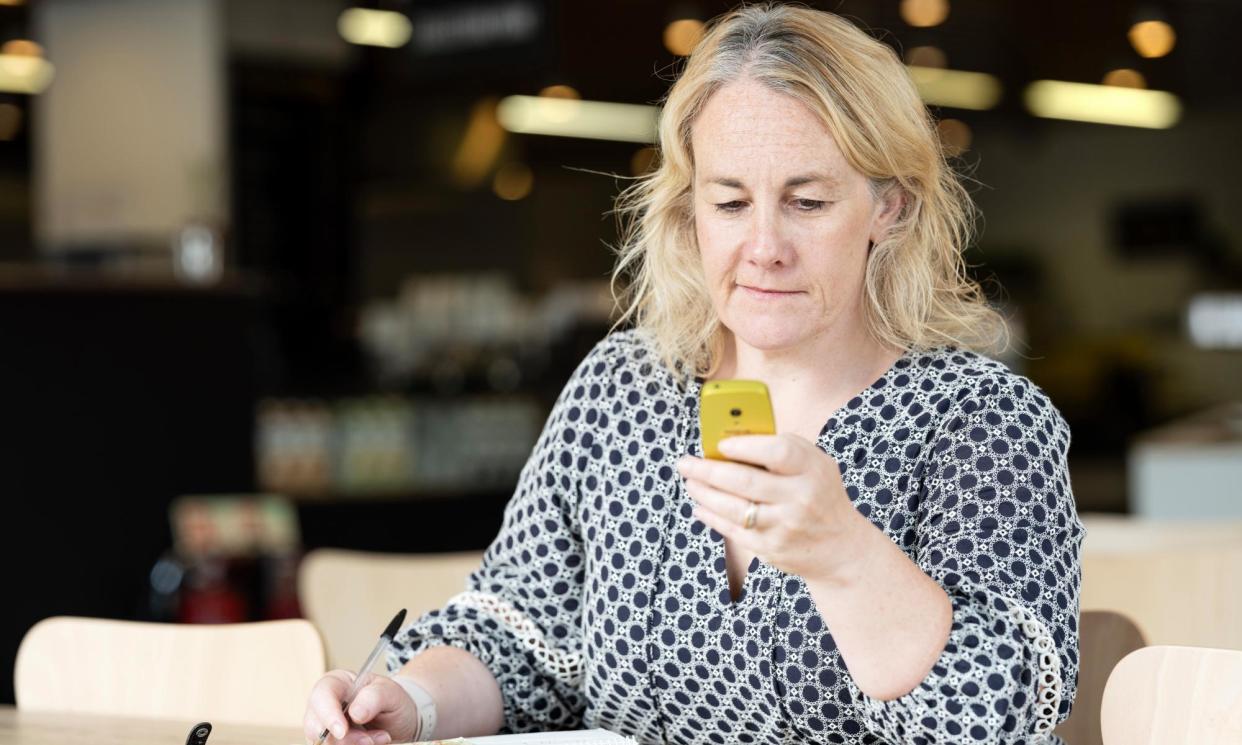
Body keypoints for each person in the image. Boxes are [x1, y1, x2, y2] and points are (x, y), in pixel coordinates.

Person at [303, 3, 1084, 744]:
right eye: (731, 202)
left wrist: (845, 555)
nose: (765, 245)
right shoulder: (624, 389)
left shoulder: (981, 421)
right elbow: (517, 629)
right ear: (689, 211)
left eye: (807, 202)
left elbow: (1006, 715)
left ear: (891, 209)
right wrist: (412, 700)